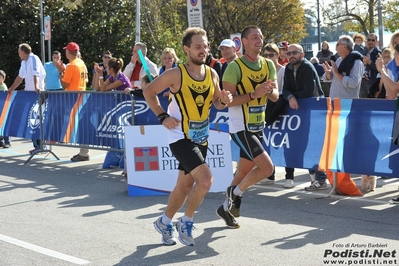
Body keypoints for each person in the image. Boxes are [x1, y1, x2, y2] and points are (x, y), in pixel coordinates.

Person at [143, 27, 232, 246]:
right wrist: (162, 116)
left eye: (206, 46)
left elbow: (217, 104)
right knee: (206, 179)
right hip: (179, 137)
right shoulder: (176, 74)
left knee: (184, 187)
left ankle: (164, 222)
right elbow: (149, 91)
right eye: (198, 47)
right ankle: (186, 221)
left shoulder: (211, 73)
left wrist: (224, 98)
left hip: (200, 137)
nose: (203, 50)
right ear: (187, 49)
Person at [216, 25, 279, 229]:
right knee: (267, 168)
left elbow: (276, 96)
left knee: (242, 173)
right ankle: (235, 194)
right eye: (254, 37)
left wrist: (267, 91)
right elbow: (228, 101)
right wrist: (253, 94)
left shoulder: (268, 64)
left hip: (258, 125)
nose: (259, 40)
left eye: (260, 37)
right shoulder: (234, 67)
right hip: (240, 127)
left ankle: (225, 209)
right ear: (243, 42)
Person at [282, 44, 327, 191]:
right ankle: (315, 179)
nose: (291, 55)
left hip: (314, 109)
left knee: (313, 144)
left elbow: (308, 92)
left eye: (294, 53)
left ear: (302, 54)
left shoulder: (307, 67)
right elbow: (285, 88)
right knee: (303, 143)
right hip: (299, 110)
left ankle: (320, 179)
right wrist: (290, 97)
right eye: (289, 53)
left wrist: (292, 97)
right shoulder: (288, 68)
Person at [260, 43, 294, 188]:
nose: (269, 58)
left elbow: (285, 90)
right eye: (266, 55)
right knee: (267, 142)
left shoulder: (284, 71)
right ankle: (270, 174)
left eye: (272, 55)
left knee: (287, 143)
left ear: (278, 55)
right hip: (266, 108)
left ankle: (289, 176)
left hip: (281, 108)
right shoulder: (261, 71)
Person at [8, 43, 46, 154]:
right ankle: (37, 145)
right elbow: (20, 76)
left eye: (19, 51)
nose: (18, 53)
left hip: (36, 93)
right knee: (31, 120)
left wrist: (37, 87)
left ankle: (40, 145)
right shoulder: (24, 62)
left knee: (37, 120)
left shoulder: (33, 58)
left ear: (24, 52)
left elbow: (36, 73)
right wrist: (11, 88)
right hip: (29, 94)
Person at [55, 42, 89, 161]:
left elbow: (64, 84)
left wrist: (61, 71)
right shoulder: (81, 63)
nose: (65, 53)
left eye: (66, 51)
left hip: (73, 98)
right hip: (81, 96)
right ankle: (84, 152)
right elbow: (86, 79)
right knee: (81, 125)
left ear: (69, 52)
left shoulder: (72, 65)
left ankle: (84, 153)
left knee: (79, 126)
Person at [361, 33, 381, 98]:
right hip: (362, 81)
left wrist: (369, 62)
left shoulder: (378, 53)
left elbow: (380, 69)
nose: (370, 42)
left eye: (373, 40)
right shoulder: (363, 51)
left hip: (373, 82)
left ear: (376, 42)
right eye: (369, 40)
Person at [0, 70, 11, 148]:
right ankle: (1, 141)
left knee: (5, 125)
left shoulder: (3, 87)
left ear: (3, 78)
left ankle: (7, 141)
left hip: (4, 108)